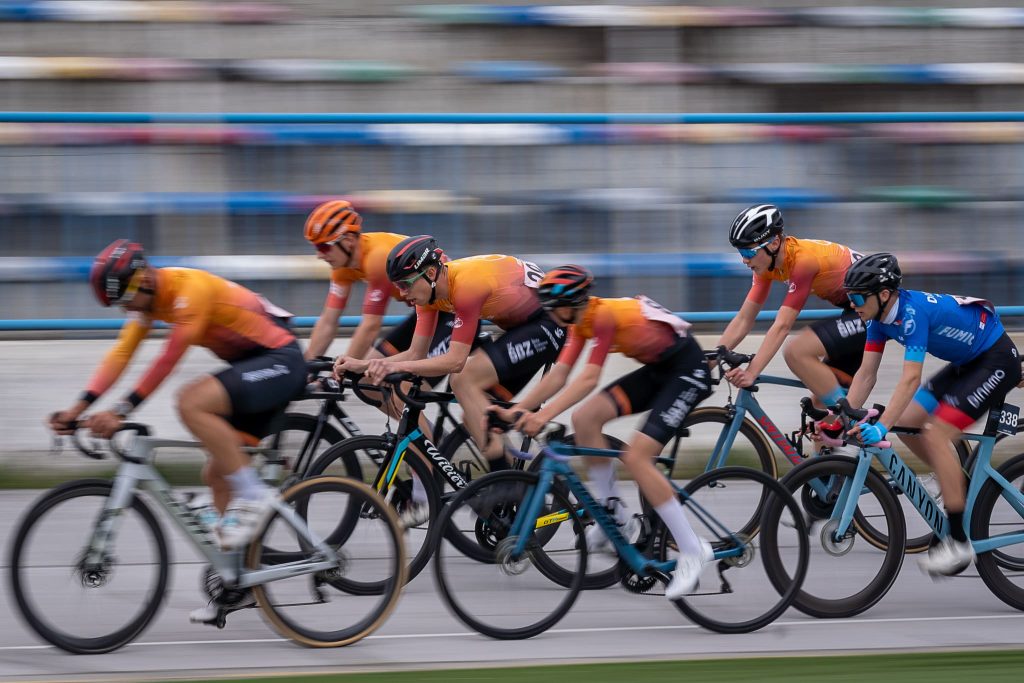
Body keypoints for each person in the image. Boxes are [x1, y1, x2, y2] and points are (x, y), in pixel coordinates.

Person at [48, 239, 308, 621]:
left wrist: (122, 411)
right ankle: (240, 584)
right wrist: (78, 407)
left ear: (141, 283)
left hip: (279, 361)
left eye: (125, 300)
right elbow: (121, 354)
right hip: (254, 370)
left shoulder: (189, 291)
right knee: (217, 473)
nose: (126, 310)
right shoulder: (151, 303)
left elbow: (169, 357)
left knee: (191, 401)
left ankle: (254, 496)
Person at [491, 265, 714, 599]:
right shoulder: (579, 323)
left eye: (554, 307)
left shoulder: (603, 316)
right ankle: (616, 513)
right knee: (585, 420)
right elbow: (559, 376)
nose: (550, 314)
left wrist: (545, 414)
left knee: (637, 458)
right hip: (659, 370)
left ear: (575, 301)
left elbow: (588, 379)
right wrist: (519, 410)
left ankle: (693, 548)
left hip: (687, 371)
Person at [334, 236, 567, 513]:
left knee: (463, 380)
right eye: (397, 286)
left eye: (406, 285)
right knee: (474, 411)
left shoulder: (466, 286)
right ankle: (518, 492)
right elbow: (415, 354)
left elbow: (455, 361)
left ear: (430, 273)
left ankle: (506, 480)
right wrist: (360, 365)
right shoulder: (428, 295)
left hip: (548, 325)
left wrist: (393, 367)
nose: (403, 294)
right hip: (520, 328)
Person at [843, 253, 1021, 575]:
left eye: (857, 297)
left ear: (883, 295)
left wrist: (880, 427)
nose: (852, 304)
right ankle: (957, 486)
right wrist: (838, 418)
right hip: (968, 364)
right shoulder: (877, 320)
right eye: (849, 297)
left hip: (995, 361)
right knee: (907, 422)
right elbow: (866, 374)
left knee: (936, 434)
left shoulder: (911, 314)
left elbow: (910, 378)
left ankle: (958, 542)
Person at [305, 199, 485, 377]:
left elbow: (370, 326)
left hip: (451, 307)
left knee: (407, 384)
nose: (319, 255)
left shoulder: (376, 258)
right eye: (316, 247)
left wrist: (338, 375)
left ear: (349, 240)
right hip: (425, 310)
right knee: (368, 380)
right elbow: (328, 321)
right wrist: (305, 370)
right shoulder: (341, 268)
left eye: (323, 246)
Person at [717, 204, 865, 414]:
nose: (744, 259)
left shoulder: (803, 262)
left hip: (875, 311)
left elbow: (783, 325)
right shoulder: (766, 264)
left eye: (748, 251)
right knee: (820, 419)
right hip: (855, 310)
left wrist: (752, 372)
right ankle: (843, 421)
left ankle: (849, 417)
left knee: (797, 351)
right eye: (741, 252)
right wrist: (710, 362)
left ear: (775, 242)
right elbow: (744, 319)